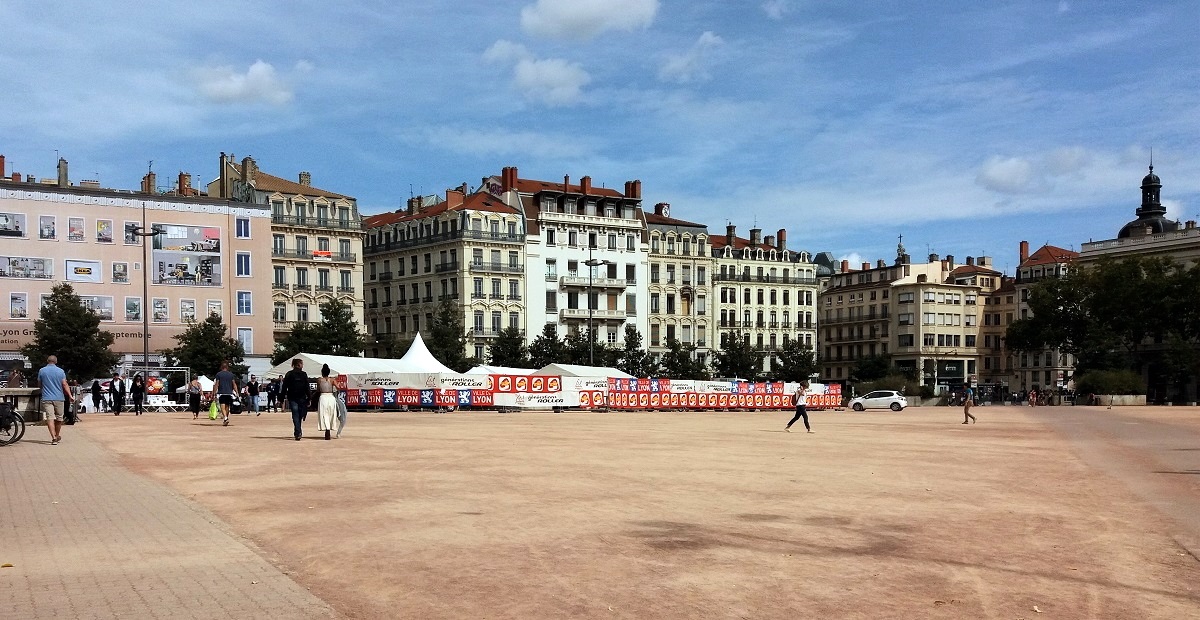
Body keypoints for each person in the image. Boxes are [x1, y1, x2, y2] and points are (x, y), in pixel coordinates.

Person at [37, 355, 72, 445]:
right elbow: (64, 384)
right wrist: (70, 396)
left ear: (47, 361)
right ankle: (57, 435)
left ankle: (53, 437)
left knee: (50, 417)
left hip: (46, 397)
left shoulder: (42, 370)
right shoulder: (60, 371)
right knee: (59, 418)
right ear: (56, 361)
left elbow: (39, 384)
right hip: (59, 398)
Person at [282, 358, 311, 440]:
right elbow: (307, 387)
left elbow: (284, 387)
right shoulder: (303, 374)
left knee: (296, 414)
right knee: (299, 414)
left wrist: (281, 397)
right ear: (298, 364)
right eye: (301, 364)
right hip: (301, 397)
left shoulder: (289, 374)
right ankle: (298, 431)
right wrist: (309, 398)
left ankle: (297, 431)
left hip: (293, 397)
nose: (302, 365)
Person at [316, 363, 340, 440]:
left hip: (323, 397)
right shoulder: (332, 380)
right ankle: (329, 428)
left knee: (324, 414)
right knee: (331, 413)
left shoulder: (319, 380)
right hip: (331, 397)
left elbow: (318, 390)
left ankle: (326, 429)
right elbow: (338, 387)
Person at [211, 361, 239, 426]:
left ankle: (225, 418)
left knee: (222, 407)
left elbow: (217, 384)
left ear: (221, 367)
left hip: (221, 392)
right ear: (227, 367)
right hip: (229, 393)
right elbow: (234, 384)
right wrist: (237, 392)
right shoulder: (231, 375)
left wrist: (214, 393)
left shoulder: (218, 374)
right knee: (227, 406)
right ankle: (226, 418)